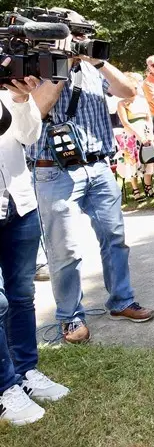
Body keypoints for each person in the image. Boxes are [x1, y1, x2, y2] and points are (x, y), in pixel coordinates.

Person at [28, 8, 154, 345]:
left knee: (114, 237)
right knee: (64, 250)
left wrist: (95, 60)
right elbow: (37, 110)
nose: (80, 42)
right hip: (53, 171)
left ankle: (122, 300)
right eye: (74, 35)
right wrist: (62, 65)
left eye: (83, 35)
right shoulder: (35, 66)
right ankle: (70, 317)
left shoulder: (93, 67)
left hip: (99, 166)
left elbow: (129, 91)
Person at [0, 78, 69, 426]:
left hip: (18, 203)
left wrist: (20, 98)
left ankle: (26, 372)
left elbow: (28, 136)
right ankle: (4, 388)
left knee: (22, 294)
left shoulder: (5, 90)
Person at [116, 72, 154, 200]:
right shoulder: (122, 103)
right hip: (132, 135)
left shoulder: (143, 101)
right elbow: (125, 122)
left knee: (149, 159)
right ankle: (136, 189)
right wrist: (139, 135)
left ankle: (148, 186)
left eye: (136, 87)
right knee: (132, 162)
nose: (135, 90)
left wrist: (150, 133)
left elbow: (149, 118)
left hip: (146, 132)